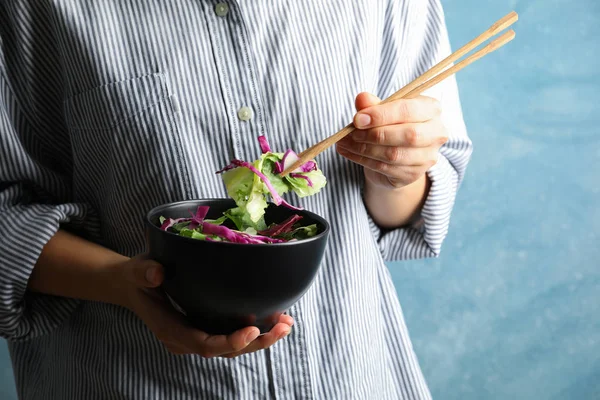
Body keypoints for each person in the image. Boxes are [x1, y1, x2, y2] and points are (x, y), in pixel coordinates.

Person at [0, 1, 472, 399]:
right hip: (126, 376)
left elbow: (416, 205)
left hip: (351, 369)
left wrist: (398, 172)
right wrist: (122, 282)